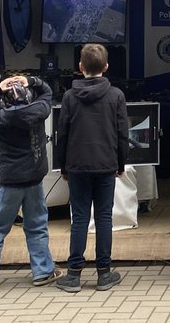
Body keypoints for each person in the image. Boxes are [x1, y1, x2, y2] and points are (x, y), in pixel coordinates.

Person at [0, 75, 57, 292]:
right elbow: (47, 92)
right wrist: (31, 80)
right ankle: (43, 272)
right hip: (35, 178)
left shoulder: (0, 117)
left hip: (10, 181)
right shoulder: (39, 111)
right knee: (37, 227)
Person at [54, 43, 129, 293]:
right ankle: (104, 273)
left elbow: (61, 135)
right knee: (104, 217)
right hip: (106, 164)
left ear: (80, 67)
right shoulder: (116, 95)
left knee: (80, 219)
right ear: (106, 67)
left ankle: (74, 274)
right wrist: (121, 163)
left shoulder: (68, 96)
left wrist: (62, 165)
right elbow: (122, 134)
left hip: (76, 165)